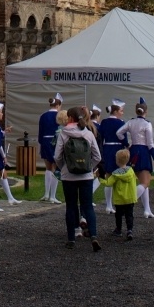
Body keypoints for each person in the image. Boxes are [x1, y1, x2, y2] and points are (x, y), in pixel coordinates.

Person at [53, 106, 101, 250]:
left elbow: (57, 156)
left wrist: (63, 168)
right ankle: (93, 236)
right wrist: (89, 168)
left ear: (70, 118)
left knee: (71, 206)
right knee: (88, 206)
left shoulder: (64, 133)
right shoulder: (88, 133)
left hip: (69, 176)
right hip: (86, 175)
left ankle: (71, 239)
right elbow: (97, 156)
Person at [116, 98, 154, 218]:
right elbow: (150, 143)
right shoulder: (147, 124)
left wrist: (127, 144)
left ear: (136, 111)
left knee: (142, 182)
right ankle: (127, 201)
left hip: (133, 151)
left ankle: (147, 209)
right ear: (146, 111)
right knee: (145, 182)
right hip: (144, 152)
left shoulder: (131, 122)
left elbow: (119, 133)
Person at [99, 148, 138, 239]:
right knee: (129, 214)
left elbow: (108, 183)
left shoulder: (115, 174)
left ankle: (118, 230)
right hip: (130, 198)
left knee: (118, 215)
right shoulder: (131, 171)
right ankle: (129, 230)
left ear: (117, 161)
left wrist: (100, 179)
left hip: (119, 199)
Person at [98, 100, 127, 214]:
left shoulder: (104, 122)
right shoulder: (121, 123)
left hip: (107, 149)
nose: (122, 113)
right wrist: (127, 146)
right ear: (115, 111)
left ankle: (108, 205)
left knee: (108, 177)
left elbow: (100, 136)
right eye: (121, 111)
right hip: (118, 149)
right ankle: (118, 203)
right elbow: (124, 138)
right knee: (119, 176)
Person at [0, 102, 20, 205]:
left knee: (3, 174)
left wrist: (4, 132)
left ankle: (10, 198)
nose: (2, 114)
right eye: (1, 112)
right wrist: (4, 156)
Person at [38, 93, 63, 203]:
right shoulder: (59, 115)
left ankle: (46, 194)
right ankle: (52, 196)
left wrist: (41, 143)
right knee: (56, 168)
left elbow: (40, 132)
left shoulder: (43, 116)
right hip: (55, 142)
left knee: (48, 168)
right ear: (58, 105)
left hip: (44, 142)